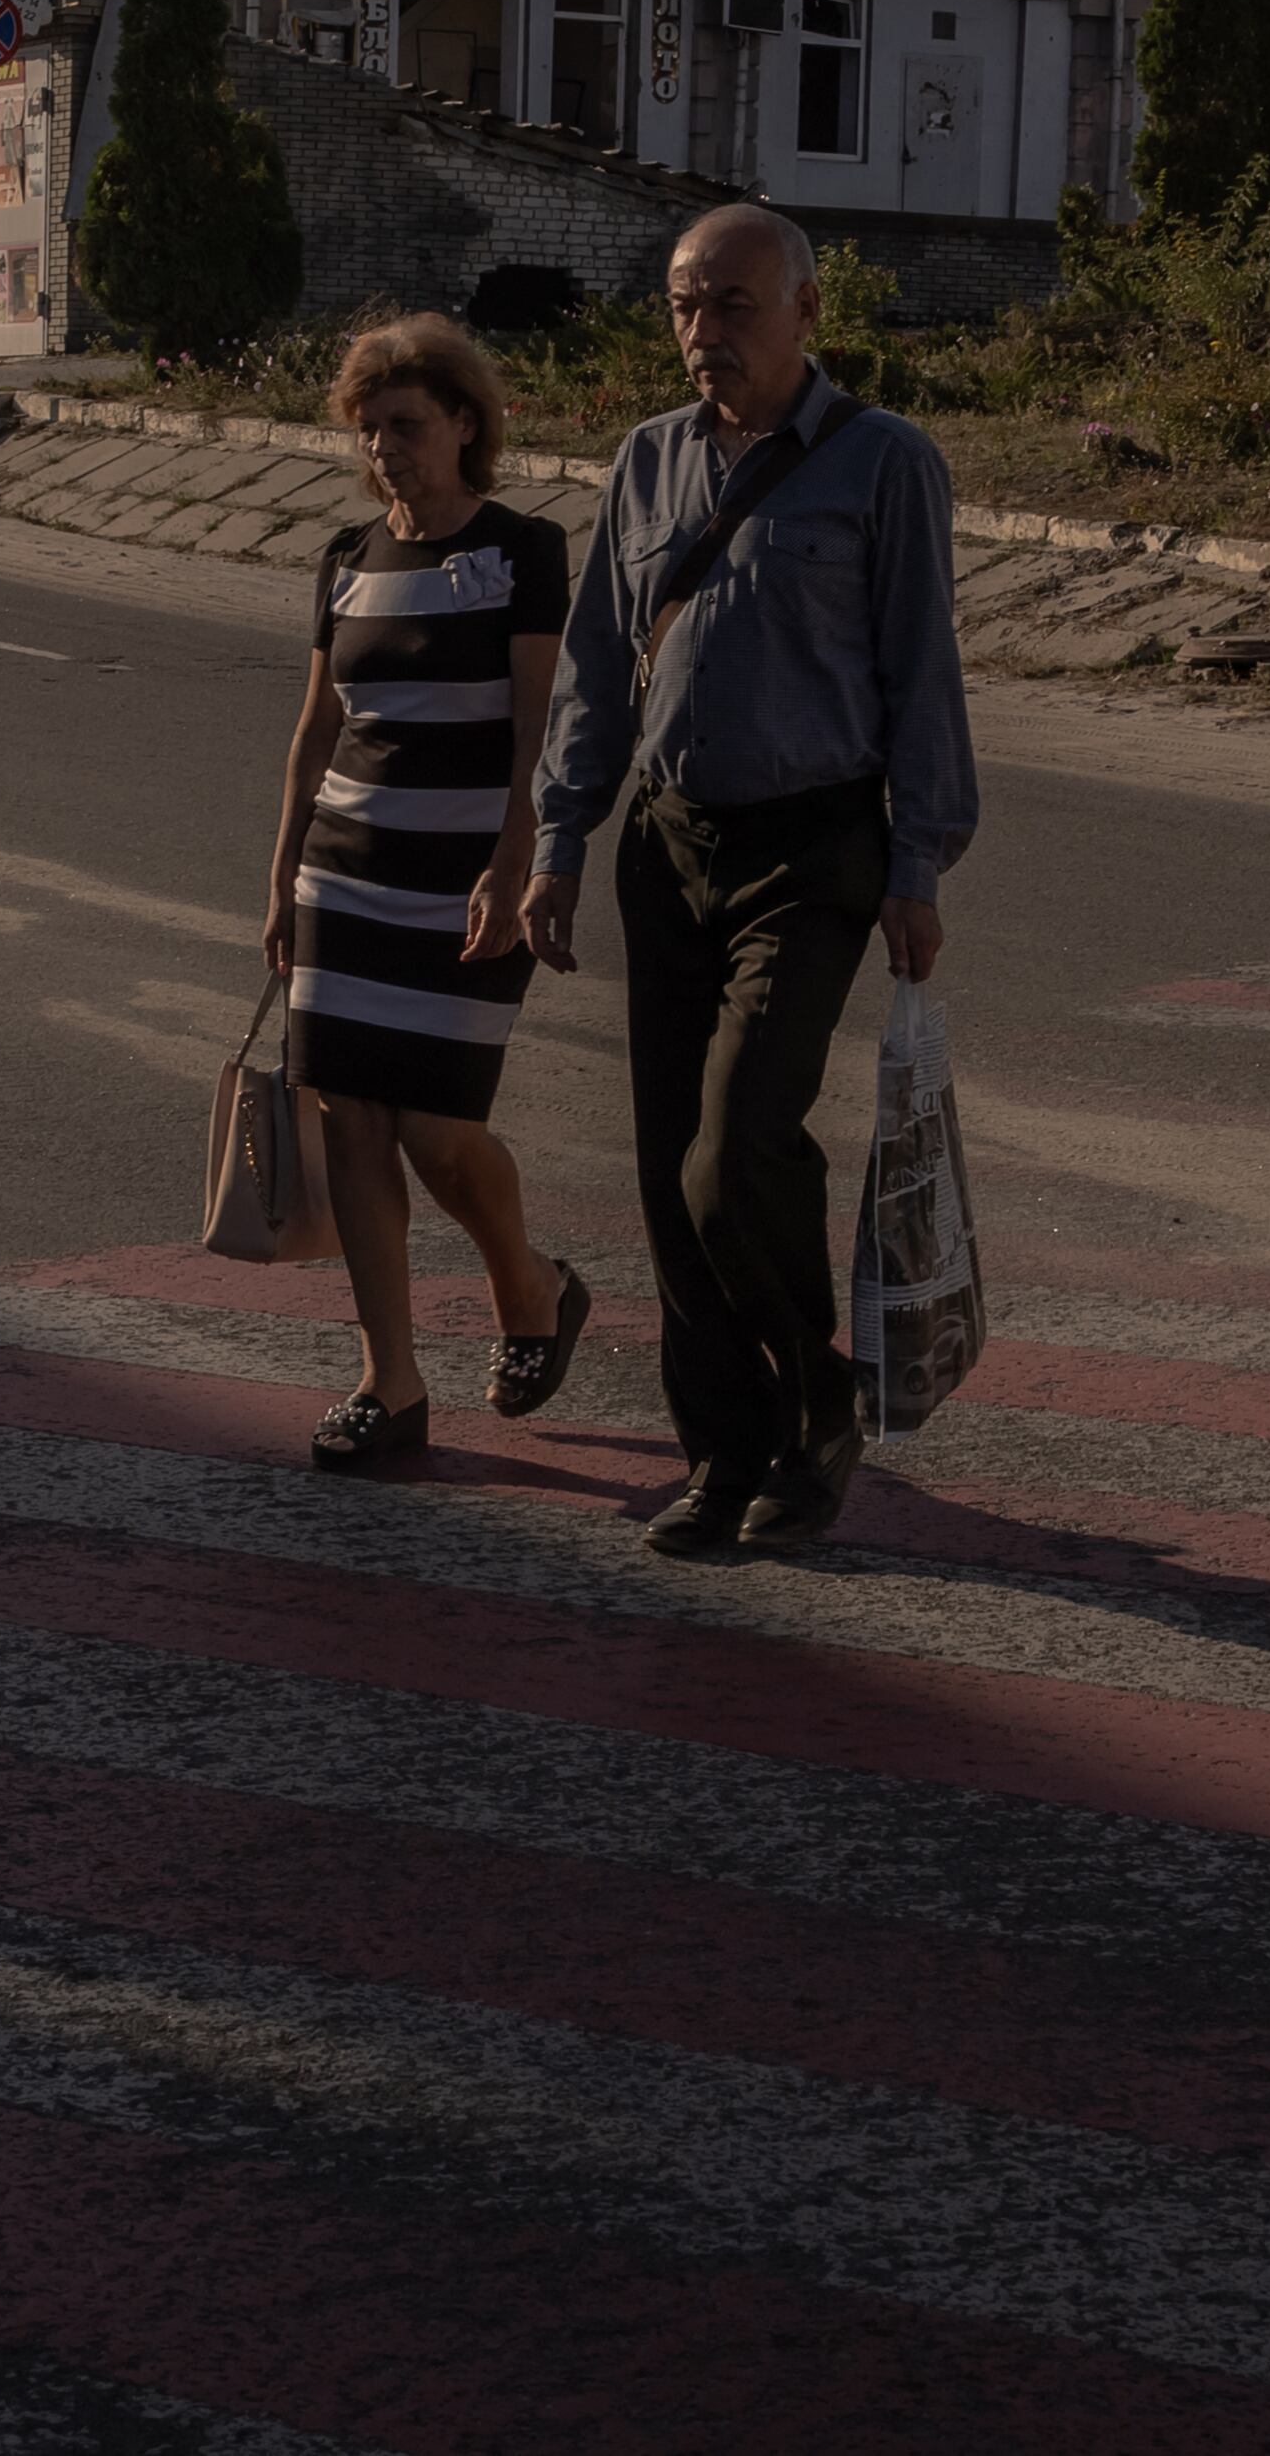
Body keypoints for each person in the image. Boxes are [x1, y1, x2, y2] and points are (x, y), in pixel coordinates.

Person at [524, 206, 973, 1558]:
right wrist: (558, 841)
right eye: (682, 305)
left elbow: (921, 674)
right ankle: (724, 1453)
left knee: (733, 1150)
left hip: (811, 846)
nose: (703, 332)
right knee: (670, 1174)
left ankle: (817, 1396)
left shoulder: (885, 463)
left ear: (806, 315)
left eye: (731, 304)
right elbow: (601, 668)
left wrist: (917, 862)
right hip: (667, 843)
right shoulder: (650, 460)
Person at [260, 313, 594, 1467]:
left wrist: (515, 861)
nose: (384, 448)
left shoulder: (520, 551)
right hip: (342, 880)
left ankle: (533, 1285)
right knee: (351, 1121)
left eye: (405, 425)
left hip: (468, 883)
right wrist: (277, 884)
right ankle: (387, 1383)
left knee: (442, 1132)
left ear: (464, 423)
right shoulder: (348, 560)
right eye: (368, 431)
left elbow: (539, 731)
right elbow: (315, 733)